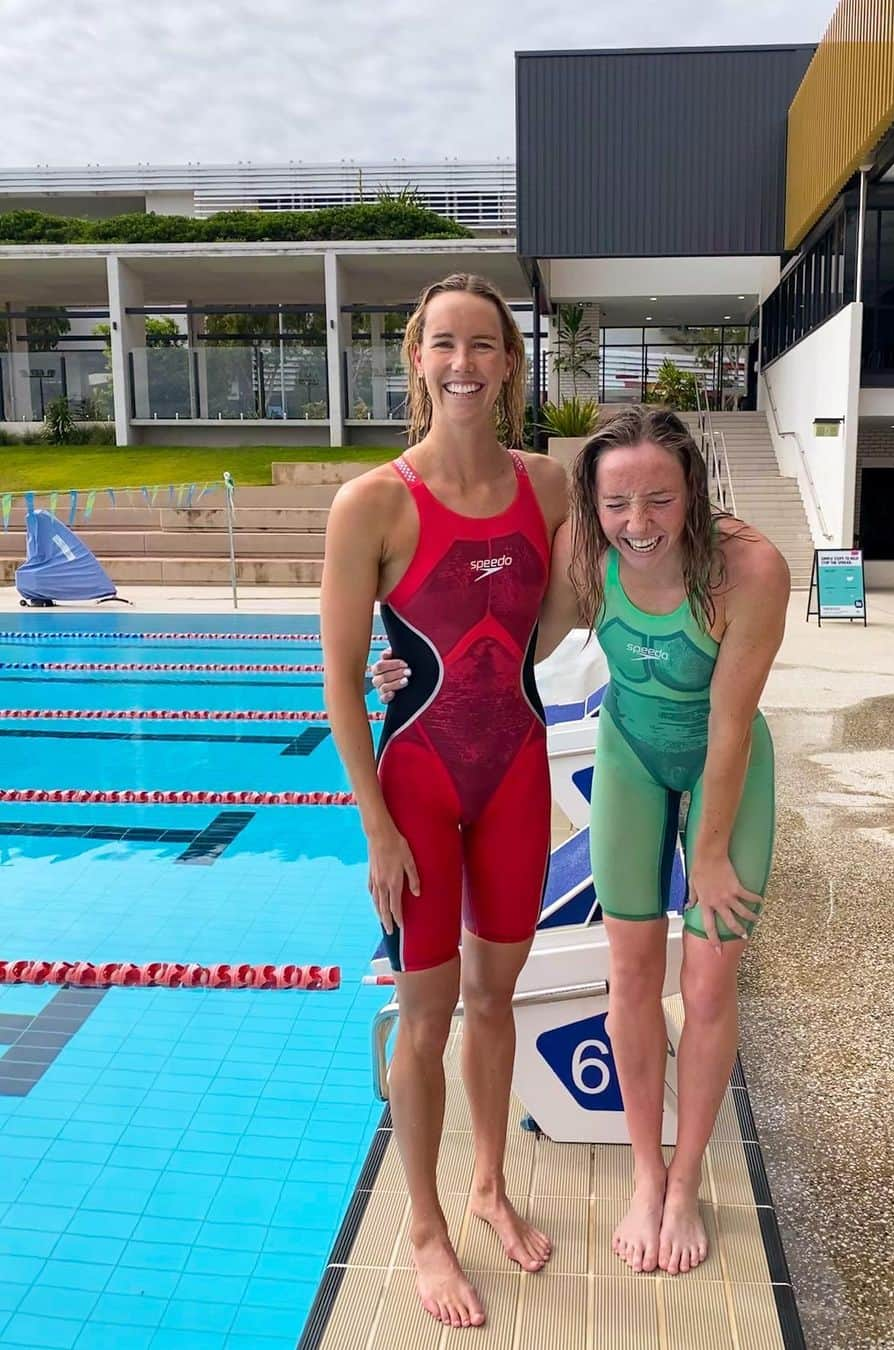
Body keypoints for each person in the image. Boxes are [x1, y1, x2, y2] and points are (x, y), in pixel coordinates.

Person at [373, 406, 789, 1277]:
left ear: (693, 494)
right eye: (617, 504)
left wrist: (708, 855)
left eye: (660, 500)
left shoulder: (750, 569)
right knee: (631, 971)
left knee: (711, 977)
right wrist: (413, 663)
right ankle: (646, 1175)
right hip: (631, 758)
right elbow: (516, 647)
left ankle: (685, 1185)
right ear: (591, 505)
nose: (639, 523)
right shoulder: (585, 557)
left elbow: (730, 725)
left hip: (727, 770)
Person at [321, 273, 566, 1329]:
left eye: (483, 344)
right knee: (424, 1021)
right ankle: (424, 1226)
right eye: (443, 344)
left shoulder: (552, 489)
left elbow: (551, 625)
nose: (463, 362)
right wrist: (375, 823)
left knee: (497, 1000)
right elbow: (338, 675)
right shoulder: (372, 502)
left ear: (510, 363)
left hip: (516, 767)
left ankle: (487, 1186)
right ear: (417, 360)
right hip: (417, 786)